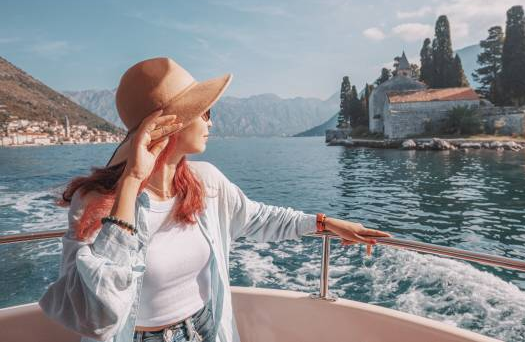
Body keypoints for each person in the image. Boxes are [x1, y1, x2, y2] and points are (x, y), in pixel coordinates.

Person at [38, 57, 392, 342]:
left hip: (205, 329)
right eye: (204, 112)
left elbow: (259, 218)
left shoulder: (206, 181)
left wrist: (326, 224)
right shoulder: (95, 203)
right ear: (172, 125)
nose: (211, 121)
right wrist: (131, 180)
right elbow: (93, 314)